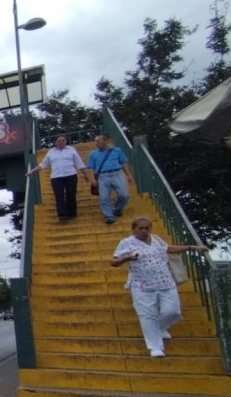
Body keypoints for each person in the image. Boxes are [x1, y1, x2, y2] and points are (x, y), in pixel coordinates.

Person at [110, 217, 208, 357]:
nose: (144, 231)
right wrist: (128, 258)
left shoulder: (156, 239)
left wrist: (192, 247)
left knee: (173, 312)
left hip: (166, 282)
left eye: (147, 228)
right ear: (134, 229)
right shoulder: (126, 243)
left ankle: (160, 327)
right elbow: (113, 262)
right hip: (141, 285)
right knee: (147, 316)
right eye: (141, 228)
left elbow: (168, 248)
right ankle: (155, 347)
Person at [26, 135, 87, 222]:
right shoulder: (51, 152)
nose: (61, 142)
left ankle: (71, 213)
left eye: (63, 140)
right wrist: (32, 171)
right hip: (56, 177)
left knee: (71, 194)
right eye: (59, 141)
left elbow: (79, 163)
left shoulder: (71, 150)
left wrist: (85, 174)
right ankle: (62, 214)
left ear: (66, 141)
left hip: (71, 175)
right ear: (55, 142)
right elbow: (43, 164)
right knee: (59, 195)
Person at [86, 134, 133, 224]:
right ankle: (109, 216)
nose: (96, 143)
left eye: (98, 141)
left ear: (105, 141)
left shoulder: (117, 150)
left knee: (124, 195)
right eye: (96, 141)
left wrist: (129, 175)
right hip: (103, 176)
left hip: (117, 173)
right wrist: (92, 179)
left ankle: (117, 209)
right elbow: (90, 168)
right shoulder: (93, 154)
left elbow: (123, 163)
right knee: (104, 198)